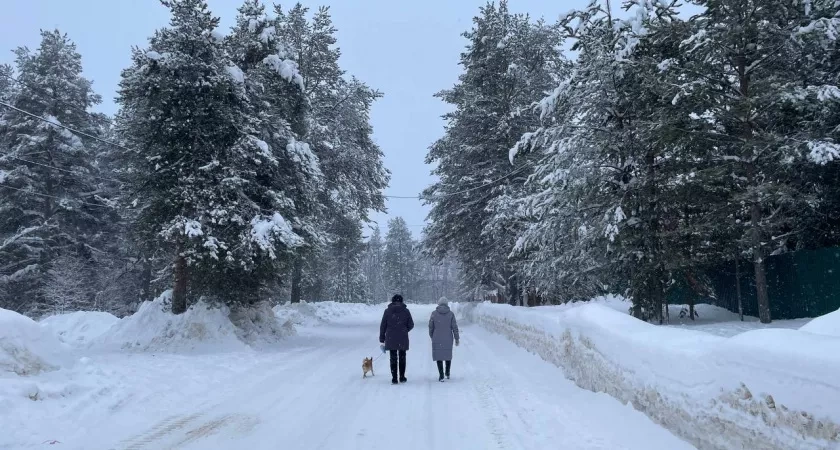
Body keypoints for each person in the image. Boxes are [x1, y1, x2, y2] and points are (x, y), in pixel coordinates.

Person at [379, 294, 414, 384]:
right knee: (402, 357)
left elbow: (383, 326)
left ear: (392, 301)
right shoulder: (406, 311)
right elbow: (411, 324)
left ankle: (394, 378)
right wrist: (405, 330)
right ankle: (402, 377)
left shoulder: (387, 311)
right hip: (402, 337)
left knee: (393, 358)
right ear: (401, 301)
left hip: (391, 338)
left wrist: (382, 339)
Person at [429, 297, 459, 382]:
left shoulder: (434, 314)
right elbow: (455, 327)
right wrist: (456, 338)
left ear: (439, 303)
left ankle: (441, 374)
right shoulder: (451, 314)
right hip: (448, 338)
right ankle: (447, 373)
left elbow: (431, 327)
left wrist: (432, 336)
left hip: (437, 338)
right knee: (447, 355)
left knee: (439, 356)